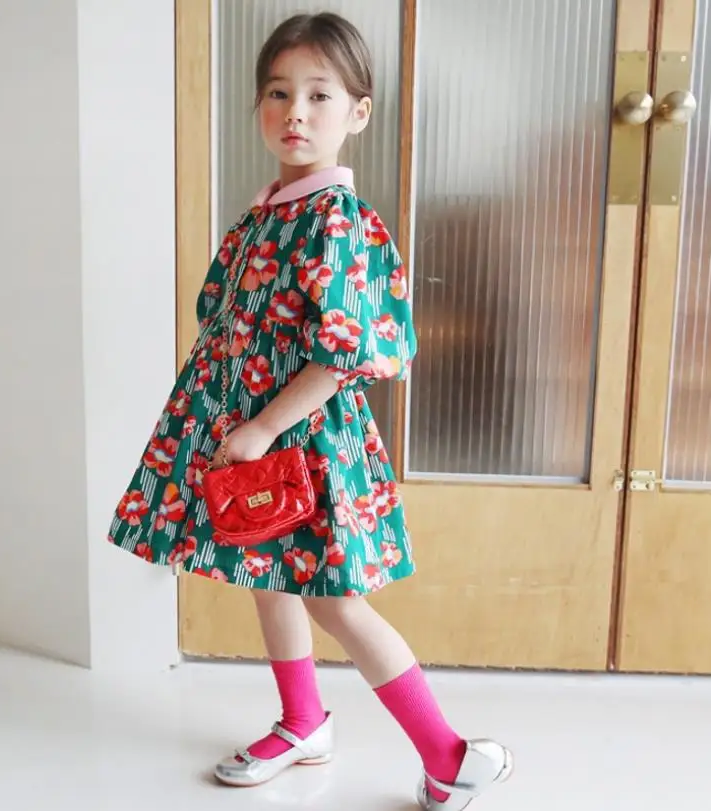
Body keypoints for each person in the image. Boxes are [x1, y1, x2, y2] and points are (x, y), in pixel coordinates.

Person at [108, 12, 512, 810]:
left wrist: (260, 426)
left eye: (318, 95)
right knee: (267, 571)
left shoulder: (335, 219)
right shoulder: (269, 212)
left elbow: (342, 350)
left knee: (333, 598)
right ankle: (302, 721)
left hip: (303, 439)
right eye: (277, 93)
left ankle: (447, 754)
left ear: (357, 112)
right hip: (253, 437)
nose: (295, 112)